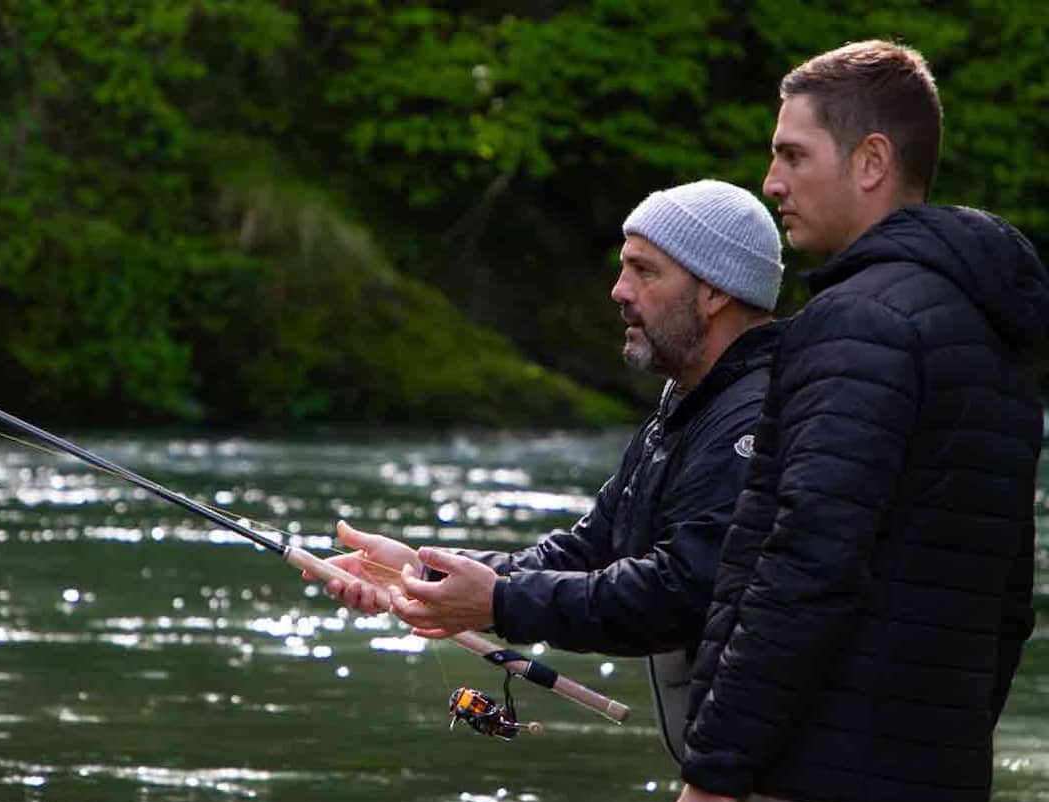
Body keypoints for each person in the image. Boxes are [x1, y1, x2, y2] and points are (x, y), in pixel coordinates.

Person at [672, 41, 1049, 802]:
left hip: (814, 794)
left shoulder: (856, 323)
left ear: (871, 160)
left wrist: (718, 760)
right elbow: (1009, 592)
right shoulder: (994, 334)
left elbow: (806, 561)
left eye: (792, 154)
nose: (771, 182)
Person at [316, 180, 783, 762]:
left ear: (713, 292)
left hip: (781, 775)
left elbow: (678, 593)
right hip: (735, 768)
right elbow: (590, 552)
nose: (618, 290)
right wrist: (424, 572)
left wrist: (499, 604)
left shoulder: (753, 416)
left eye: (644, 271)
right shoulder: (688, 407)